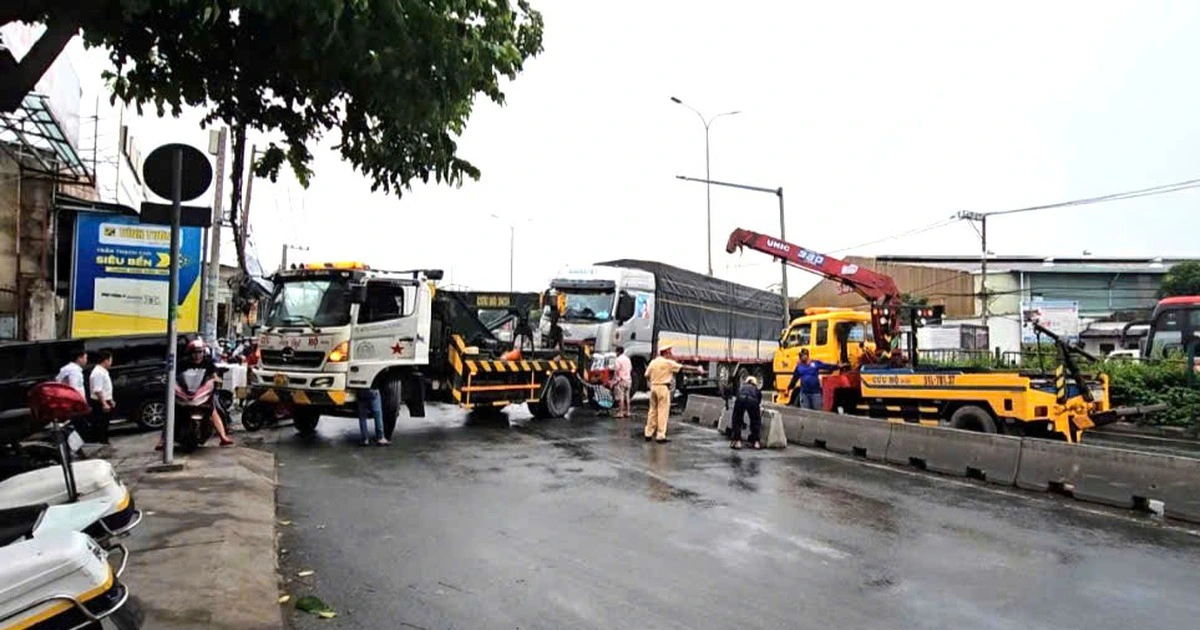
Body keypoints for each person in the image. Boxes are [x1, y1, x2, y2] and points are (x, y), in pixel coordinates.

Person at [156, 339, 234, 450]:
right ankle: (163, 440)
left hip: (202, 393)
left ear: (203, 352)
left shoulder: (208, 363)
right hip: (186, 392)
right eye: (194, 352)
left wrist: (216, 379)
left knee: (213, 410)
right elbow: (173, 375)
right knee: (172, 412)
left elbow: (214, 375)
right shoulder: (183, 363)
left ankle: (223, 437)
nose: (197, 355)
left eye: (199, 352)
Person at [643, 344, 702, 443]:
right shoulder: (668, 363)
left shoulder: (653, 362)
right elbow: (683, 367)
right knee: (663, 411)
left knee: (652, 411)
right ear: (666, 353)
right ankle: (660, 435)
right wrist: (697, 368)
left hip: (653, 387)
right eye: (670, 352)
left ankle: (648, 433)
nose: (671, 354)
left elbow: (646, 375)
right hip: (663, 387)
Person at [87, 350, 115, 444]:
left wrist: (110, 399)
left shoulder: (103, 371)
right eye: (110, 360)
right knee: (101, 423)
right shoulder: (98, 372)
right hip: (99, 401)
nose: (111, 363)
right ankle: (102, 441)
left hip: (106, 399)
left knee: (105, 423)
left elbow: (105, 387)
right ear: (106, 360)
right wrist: (104, 403)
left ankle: (104, 439)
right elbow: (98, 390)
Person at [729, 375, 763, 450]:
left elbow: (737, 396)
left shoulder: (741, 387)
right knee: (755, 421)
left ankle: (737, 441)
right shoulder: (756, 389)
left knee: (737, 420)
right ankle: (756, 442)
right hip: (752, 400)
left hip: (740, 399)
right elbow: (758, 401)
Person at [612, 346, 633, 418]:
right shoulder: (628, 359)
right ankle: (628, 412)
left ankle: (620, 412)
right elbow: (630, 369)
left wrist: (614, 381)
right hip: (628, 380)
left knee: (620, 397)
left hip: (621, 380)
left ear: (618, 352)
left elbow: (616, 371)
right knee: (627, 396)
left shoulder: (618, 360)